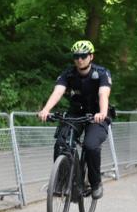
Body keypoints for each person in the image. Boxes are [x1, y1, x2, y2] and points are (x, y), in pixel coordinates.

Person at [37, 40, 113, 199]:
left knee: (90, 146)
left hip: (97, 116)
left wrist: (103, 112)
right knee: (61, 142)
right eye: (76, 56)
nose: (79, 59)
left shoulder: (101, 73)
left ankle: (95, 182)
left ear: (90, 56)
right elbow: (58, 92)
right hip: (76, 113)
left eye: (83, 55)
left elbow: (103, 94)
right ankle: (63, 182)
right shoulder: (68, 74)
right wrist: (46, 109)